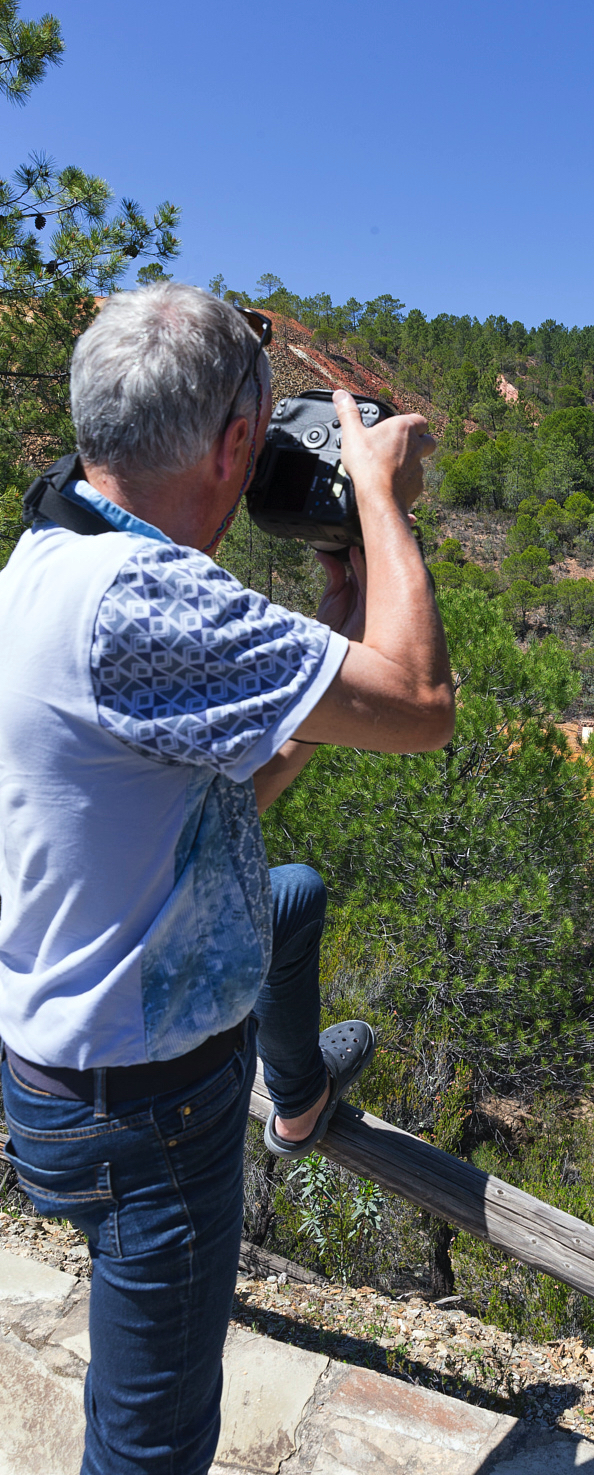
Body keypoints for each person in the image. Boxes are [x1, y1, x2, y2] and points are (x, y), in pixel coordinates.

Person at [0, 283, 454, 1474]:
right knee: (153, 1440)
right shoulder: (150, 602)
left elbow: (212, 802)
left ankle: (295, 1094)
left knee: (290, 892)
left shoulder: (56, 547)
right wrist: (376, 494)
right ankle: (285, 1093)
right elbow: (419, 706)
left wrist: (327, 634)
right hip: (150, 1110)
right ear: (236, 446)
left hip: (66, 1061)